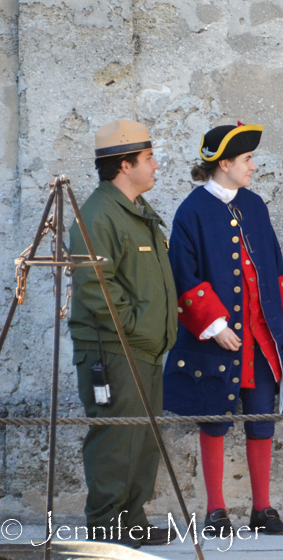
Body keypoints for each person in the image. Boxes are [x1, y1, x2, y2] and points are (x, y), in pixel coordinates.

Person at [163, 124, 283, 536]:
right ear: (223, 164)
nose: (253, 167)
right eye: (247, 160)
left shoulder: (255, 206)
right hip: (218, 340)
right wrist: (214, 325)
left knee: (261, 420)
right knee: (215, 422)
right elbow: (183, 276)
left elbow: (274, 266)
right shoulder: (191, 211)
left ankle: (262, 510)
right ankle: (216, 511)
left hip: (260, 338)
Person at [69, 119, 176, 547]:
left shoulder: (136, 211)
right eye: (148, 158)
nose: (155, 166)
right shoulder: (96, 214)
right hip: (115, 349)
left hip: (145, 346)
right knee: (116, 438)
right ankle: (105, 528)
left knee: (143, 439)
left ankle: (130, 521)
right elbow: (96, 285)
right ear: (124, 165)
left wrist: (151, 330)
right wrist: (135, 325)